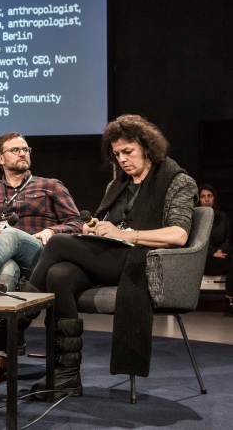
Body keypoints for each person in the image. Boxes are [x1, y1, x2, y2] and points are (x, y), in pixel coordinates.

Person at [24, 114, 198, 399]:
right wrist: (94, 229)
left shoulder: (177, 181)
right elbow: (107, 227)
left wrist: (125, 234)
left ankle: (17, 318)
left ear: (146, 147)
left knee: (56, 244)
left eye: (128, 152)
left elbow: (178, 235)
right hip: (110, 259)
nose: (122, 160)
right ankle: (66, 376)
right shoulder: (117, 185)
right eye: (117, 155)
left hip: (141, 262)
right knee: (59, 275)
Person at [0, 132, 82, 385]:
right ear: (0, 158)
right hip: (5, 262)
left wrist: (51, 231)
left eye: (26, 149)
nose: (23, 153)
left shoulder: (50, 185)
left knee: (12, 236)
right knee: (7, 268)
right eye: (15, 150)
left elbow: (77, 224)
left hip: (40, 258)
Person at [197, 184, 233, 316]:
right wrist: (213, 253)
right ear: (199, 199)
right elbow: (196, 243)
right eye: (203, 197)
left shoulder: (223, 218)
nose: (207, 200)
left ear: (214, 198)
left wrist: (219, 251)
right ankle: (230, 303)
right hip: (203, 260)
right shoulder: (196, 218)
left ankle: (229, 300)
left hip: (219, 256)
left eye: (209, 196)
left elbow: (227, 240)